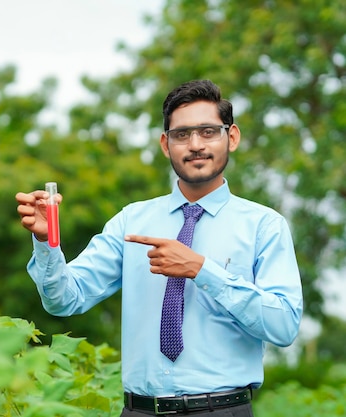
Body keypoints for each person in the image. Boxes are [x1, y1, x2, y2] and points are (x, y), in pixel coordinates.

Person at [15, 79, 303, 416]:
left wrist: (201, 269)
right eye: (182, 134)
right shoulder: (131, 222)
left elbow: (283, 326)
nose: (195, 144)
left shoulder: (264, 225)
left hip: (223, 410)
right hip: (139, 410)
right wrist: (45, 241)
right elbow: (64, 299)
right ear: (166, 144)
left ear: (232, 137)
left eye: (208, 131)